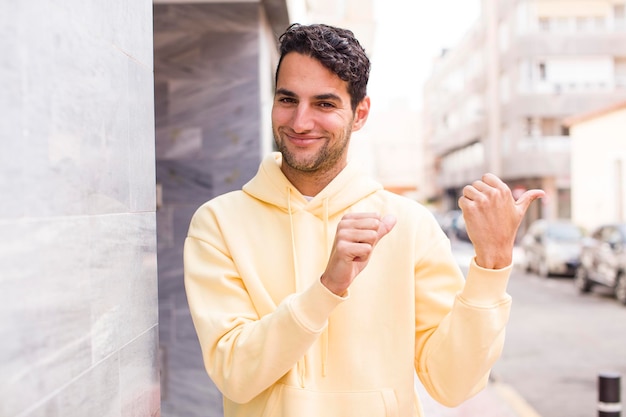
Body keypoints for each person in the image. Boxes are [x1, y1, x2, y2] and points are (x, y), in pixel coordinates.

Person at [184, 23, 544, 417]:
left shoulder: (408, 225)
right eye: (288, 99)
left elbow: (453, 384)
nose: (300, 122)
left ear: (360, 114)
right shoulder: (218, 223)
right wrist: (327, 288)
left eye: (324, 104)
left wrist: (492, 264)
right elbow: (235, 374)